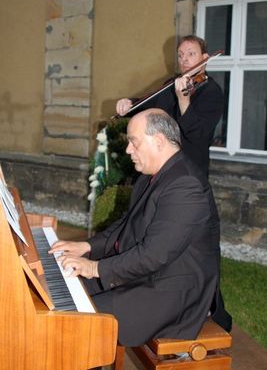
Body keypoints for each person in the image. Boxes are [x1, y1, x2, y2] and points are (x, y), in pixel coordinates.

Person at [49, 108, 231, 347]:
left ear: (158, 141)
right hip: (148, 276)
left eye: (134, 142)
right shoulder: (152, 175)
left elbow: (154, 255)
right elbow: (125, 225)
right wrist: (85, 246)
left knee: (74, 325)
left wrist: (94, 267)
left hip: (172, 293)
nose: (127, 150)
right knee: (61, 295)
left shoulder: (186, 185)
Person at [116, 35, 224, 177]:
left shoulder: (212, 92)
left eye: (191, 54)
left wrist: (183, 100)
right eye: (180, 55)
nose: (184, 59)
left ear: (205, 58)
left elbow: (197, 134)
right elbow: (150, 105)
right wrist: (129, 104)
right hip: (160, 165)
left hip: (187, 170)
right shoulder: (173, 83)